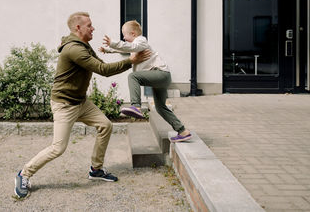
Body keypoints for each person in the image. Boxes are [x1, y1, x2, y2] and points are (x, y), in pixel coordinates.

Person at [14, 12, 151, 198]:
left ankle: (96, 169)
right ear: (78, 28)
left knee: (105, 126)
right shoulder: (74, 49)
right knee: (58, 148)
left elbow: (100, 63)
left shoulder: (84, 45)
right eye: (89, 25)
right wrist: (131, 61)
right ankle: (24, 174)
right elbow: (103, 70)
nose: (93, 28)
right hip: (64, 104)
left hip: (80, 101)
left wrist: (121, 54)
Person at [99, 20, 192, 143]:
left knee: (133, 77)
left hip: (160, 74)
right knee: (160, 107)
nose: (123, 37)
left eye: (124, 35)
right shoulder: (135, 46)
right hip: (159, 77)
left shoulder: (141, 41)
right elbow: (124, 50)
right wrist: (108, 50)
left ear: (133, 34)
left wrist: (113, 42)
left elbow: (131, 47)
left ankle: (136, 106)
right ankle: (182, 131)